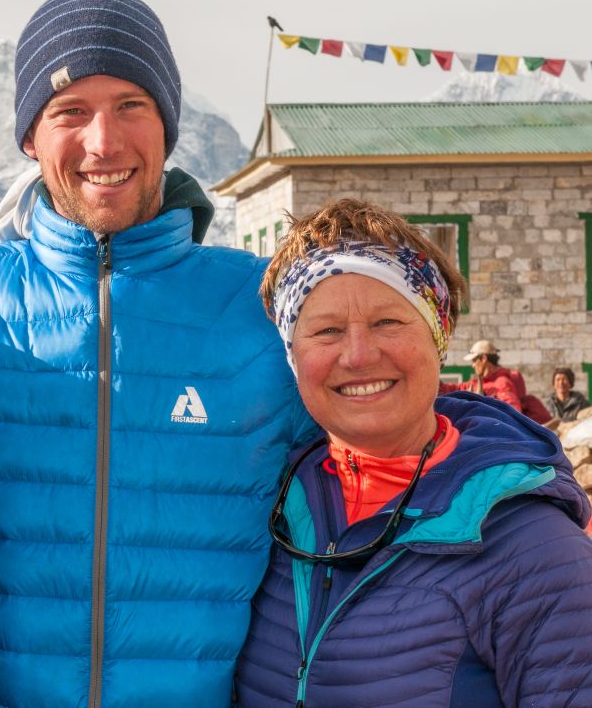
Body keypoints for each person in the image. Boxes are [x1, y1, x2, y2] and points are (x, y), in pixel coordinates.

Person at [0, 0, 315, 707]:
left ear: (168, 125)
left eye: (130, 105)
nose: (103, 142)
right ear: (29, 137)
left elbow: (389, 452)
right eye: (69, 112)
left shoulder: (263, 311)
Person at [236, 199, 592, 706]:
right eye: (327, 330)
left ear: (438, 337)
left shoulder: (533, 547)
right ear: (295, 358)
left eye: (388, 322)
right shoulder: (269, 510)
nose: (358, 355)